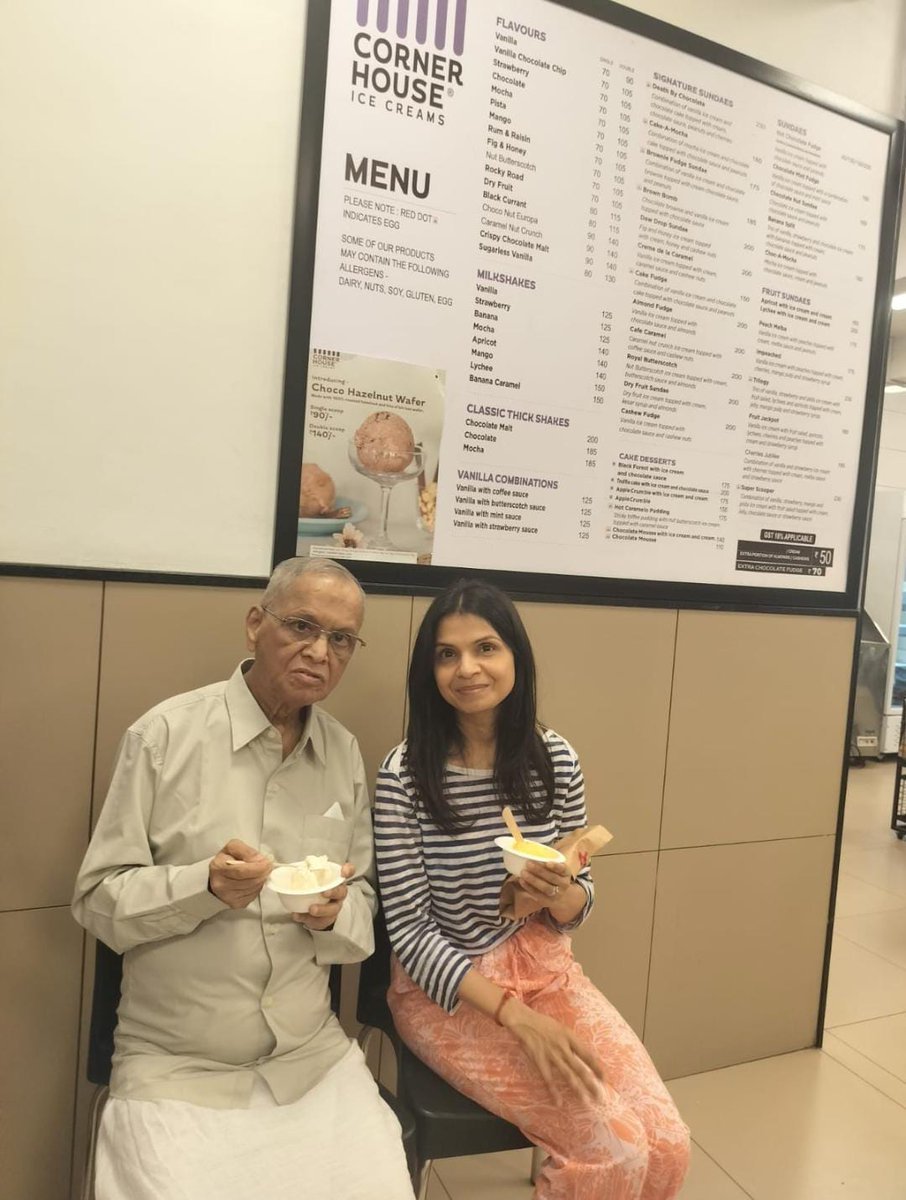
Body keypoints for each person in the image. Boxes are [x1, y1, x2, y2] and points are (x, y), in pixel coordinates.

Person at [73, 557, 414, 1200]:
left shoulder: (341, 755)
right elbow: (96, 900)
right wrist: (202, 887)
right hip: (177, 1064)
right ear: (255, 624)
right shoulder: (163, 737)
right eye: (303, 626)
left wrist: (333, 912)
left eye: (341, 639)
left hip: (310, 1059)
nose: (320, 652)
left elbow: (364, 911)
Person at [374, 579, 690, 1199]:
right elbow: (408, 932)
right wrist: (518, 1019)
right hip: (449, 991)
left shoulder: (555, 759)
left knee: (669, 1142)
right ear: (427, 671)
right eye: (446, 654)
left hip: (546, 970)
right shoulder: (404, 776)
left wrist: (558, 892)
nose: (467, 668)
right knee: (615, 1151)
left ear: (515, 656)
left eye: (485, 648)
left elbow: (577, 904)